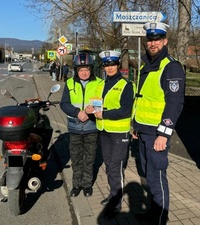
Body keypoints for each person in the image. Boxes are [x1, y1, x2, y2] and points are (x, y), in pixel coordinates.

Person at [132, 22, 185, 225]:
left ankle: (161, 219)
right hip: (144, 131)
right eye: (150, 39)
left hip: (157, 134)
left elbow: (175, 103)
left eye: (157, 39)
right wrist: (136, 126)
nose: (152, 43)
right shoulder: (148, 64)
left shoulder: (170, 66)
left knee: (157, 177)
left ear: (165, 41)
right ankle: (154, 213)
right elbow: (143, 99)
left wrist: (164, 134)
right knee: (149, 176)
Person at [85, 50, 135, 219]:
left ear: (118, 65)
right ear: (104, 67)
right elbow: (94, 103)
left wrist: (104, 114)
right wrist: (89, 109)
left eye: (113, 64)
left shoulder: (126, 85)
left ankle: (117, 201)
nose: (110, 68)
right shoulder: (101, 84)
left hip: (119, 132)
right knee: (109, 165)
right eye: (107, 65)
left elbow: (126, 111)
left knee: (115, 167)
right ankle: (114, 195)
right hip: (104, 131)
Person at [60, 53, 101, 197]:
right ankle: (76, 185)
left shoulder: (99, 83)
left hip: (91, 127)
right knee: (76, 158)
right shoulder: (70, 83)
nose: (84, 72)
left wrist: (91, 112)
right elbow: (64, 104)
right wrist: (77, 112)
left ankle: (87, 185)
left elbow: (101, 104)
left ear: (91, 70)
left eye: (87, 69)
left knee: (90, 158)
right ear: (76, 70)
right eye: (81, 70)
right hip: (75, 127)